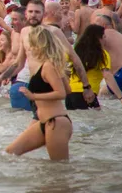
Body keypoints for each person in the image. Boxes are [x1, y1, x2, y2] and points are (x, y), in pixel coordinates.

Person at [6, 26, 74, 160]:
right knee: (10, 152)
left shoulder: (49, 66)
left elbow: (61, 93)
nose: (30, 48)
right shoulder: (51, 64)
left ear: (40, 45)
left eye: (32, 45)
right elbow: (68, 89)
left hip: (56, 122)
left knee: (59, 167)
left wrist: (33, 96)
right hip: (45, 122)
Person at [69, 24, 122, 111]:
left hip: (69, 95)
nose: (105, 40)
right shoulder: (101, 54)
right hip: (87, 95)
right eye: (104, 37)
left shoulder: (76, 50)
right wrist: (121, 98)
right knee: (97, 119)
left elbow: (63, 67)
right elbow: (107, 76)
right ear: (98, 39)